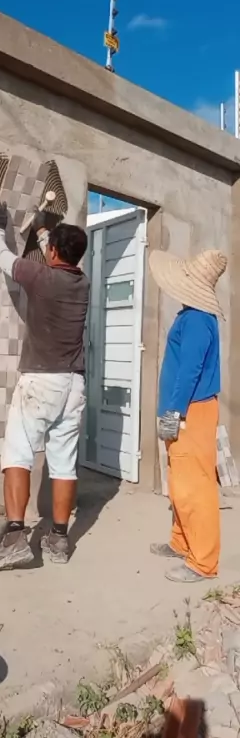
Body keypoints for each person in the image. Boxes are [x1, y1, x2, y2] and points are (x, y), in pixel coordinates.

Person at [0, 201, 90, 571]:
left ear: (55, 253)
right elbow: (55, 255)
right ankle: (59, 539)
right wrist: (43, 230)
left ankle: (16, 538)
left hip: (40, 383)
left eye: (50, 247)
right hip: (73, 385)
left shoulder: (39, 277)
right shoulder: (81, 282)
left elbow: (2, 256)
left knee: (17, 455)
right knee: (64, 463)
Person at [149, 248, 227, 583]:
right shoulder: (193, 316)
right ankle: (182, 542)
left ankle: (203, 562)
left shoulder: (196, 320)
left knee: (195, 486)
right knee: (181, 482)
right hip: (188, 410)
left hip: (190, 411)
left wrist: (173, 412)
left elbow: (189, 371)